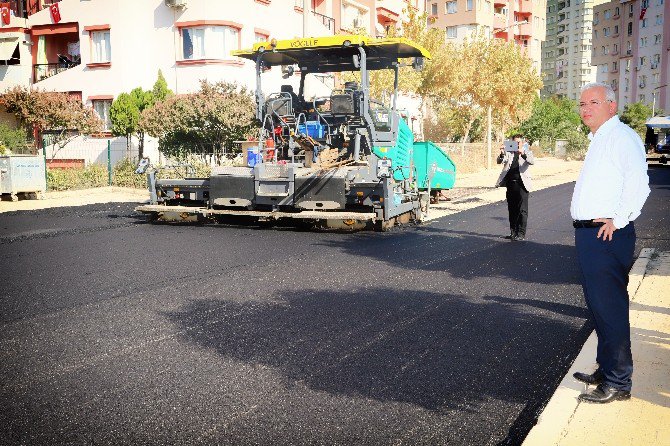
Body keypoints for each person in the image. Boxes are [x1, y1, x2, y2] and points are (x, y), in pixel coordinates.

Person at [571, 82, 650, 403]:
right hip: (591, 234)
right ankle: (606, 369)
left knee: (610, 309)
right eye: (582, 104)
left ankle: (618, 382)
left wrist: (618, 219)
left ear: (611, 106)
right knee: (599, 308)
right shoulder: (601, 138)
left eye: (594, 102)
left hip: (606, 234)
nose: (586, 109)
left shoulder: (620, 138)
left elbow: (638, 184)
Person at [495, 134, 534, 241]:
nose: (517, 144)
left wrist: (523, 153)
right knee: (512, 209)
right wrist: (502, 152)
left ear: (522, 143)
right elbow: (499, 161)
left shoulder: (527, 151)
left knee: (522, 210)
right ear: (511, 143)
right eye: (514, 142)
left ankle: (521, 233)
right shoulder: (509, 153)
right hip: (511, 184)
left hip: (522, 184)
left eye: (519, 142)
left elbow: (531, 161)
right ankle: (513, 232)